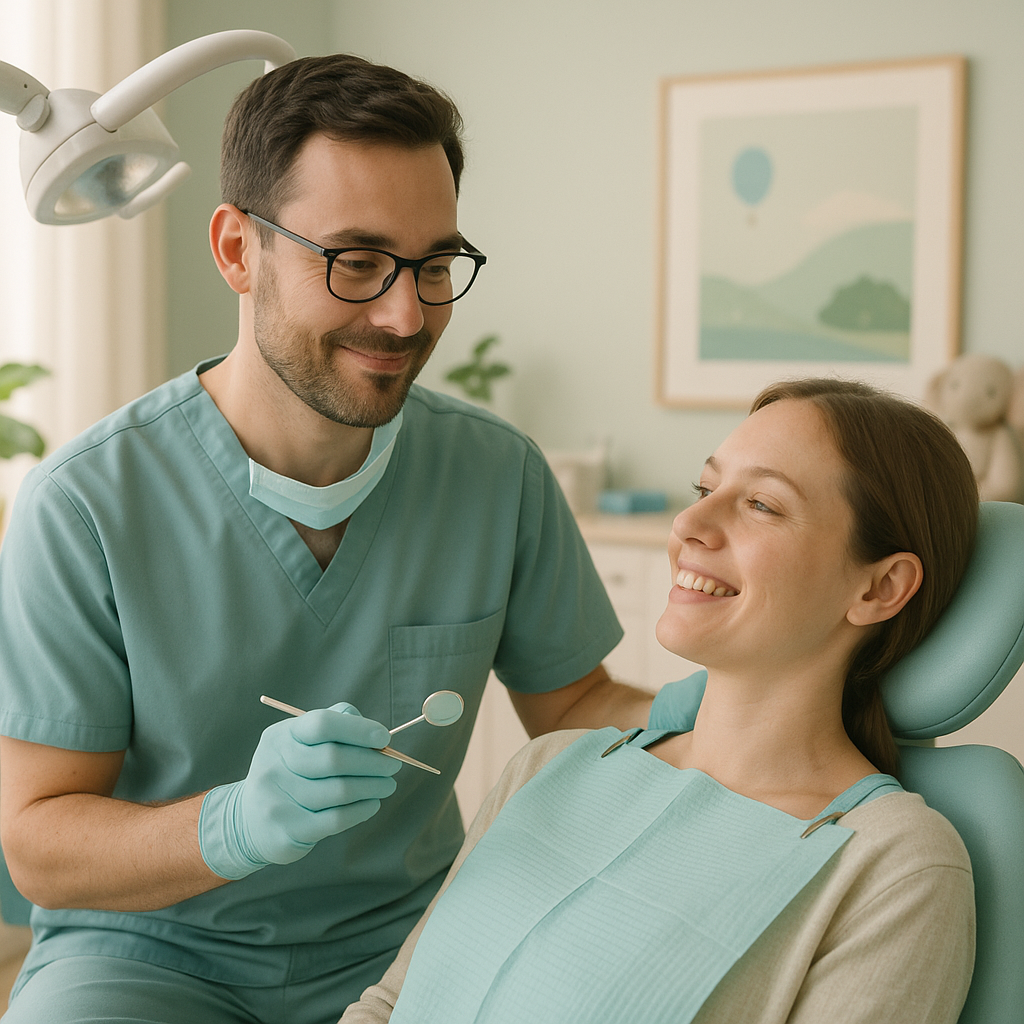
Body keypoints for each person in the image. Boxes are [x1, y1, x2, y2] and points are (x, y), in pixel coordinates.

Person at [0, 54, 670, 1024]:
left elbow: (576, 703)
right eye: (355, 261)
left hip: (416, 941)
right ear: (237, 249)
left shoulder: (493, 473)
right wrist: (231, 826)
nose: (405, 314)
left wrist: (743, 716)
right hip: (149, 952)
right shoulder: (88, 503)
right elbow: (39, 843)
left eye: (434, 265)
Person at [342, 378, 979, 1024]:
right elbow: (389, 1004)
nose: (689, 524)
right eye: (706, 489)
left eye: (761, 504)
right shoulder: (549, 766)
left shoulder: (891, 864)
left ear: (881, 587)